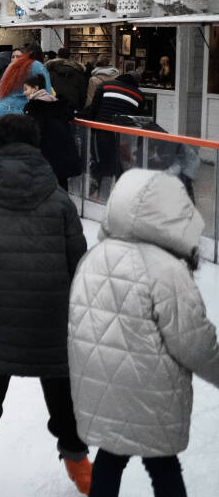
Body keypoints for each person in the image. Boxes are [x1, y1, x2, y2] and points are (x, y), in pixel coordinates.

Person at [0, 114, 91, 492]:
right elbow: (79, 258)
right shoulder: (58, 195)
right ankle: (81, 467)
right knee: (60, 385)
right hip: (51, 307)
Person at [68, 170, 219, 497]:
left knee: (110, 459)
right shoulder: (166, 270)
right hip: (153, 398)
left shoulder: (94, 258)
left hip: (103, 389)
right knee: (164, 466)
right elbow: (194, 341)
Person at [83, 70, 146, 197]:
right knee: (117, 163)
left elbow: (93, 109)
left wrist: (87, 124)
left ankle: (102, 192)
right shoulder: (139, 95)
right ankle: (120, 194)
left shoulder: (105, 86)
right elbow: (138, 119)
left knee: (103, 161)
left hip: (101, 129)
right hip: (123, 135)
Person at [22, 74, 82, 185]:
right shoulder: (56, 103)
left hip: (45, 156)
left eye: (26, 89)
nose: (24, 92)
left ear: (36, 88)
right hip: (63, 154)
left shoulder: (35, 107)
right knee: (61, 185)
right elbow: (70, 116)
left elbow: (34, 133)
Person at [46, 48, 89, 113]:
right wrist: (80, 108)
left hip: (54, 107)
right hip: (73, 108)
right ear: (69, 57)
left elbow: (47, 90)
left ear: (57, 56)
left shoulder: (50, 72)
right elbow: (83, 93)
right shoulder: (78, 72)